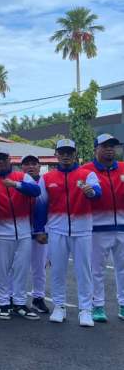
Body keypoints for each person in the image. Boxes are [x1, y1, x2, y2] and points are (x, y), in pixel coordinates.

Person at [33, 139, 100, 327]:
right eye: (62, 152)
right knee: (57, 270)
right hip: (56, 230)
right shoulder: (47, 178)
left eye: (69, 152)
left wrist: (91, 192)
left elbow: (98, 191)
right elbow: (41, 206)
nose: (65, 155)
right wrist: (39, 230)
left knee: (84, 271)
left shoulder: (87, 174)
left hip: (83, 230)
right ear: (56, 154)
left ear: (74, 153)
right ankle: (59, 306)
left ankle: (85, 310)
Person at [0, 146, 41, 320]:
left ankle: (19, 303)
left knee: (21, 269)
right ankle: (3, 303)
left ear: (10, 159)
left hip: (23, 231)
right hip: (0, 232)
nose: (1, 161)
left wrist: (15, 185)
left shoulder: (21, 176)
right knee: (1, 269)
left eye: (4, 158)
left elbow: (36, 191)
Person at [82, 134, 124, 322]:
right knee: (97, 270)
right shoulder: (85, 171)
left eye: (112, 146)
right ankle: (97, 305)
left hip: (122, 227)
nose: (109, 149)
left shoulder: (123, 167)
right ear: (96, 149)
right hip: (97, 228)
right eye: (105, 146)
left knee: (123, 269)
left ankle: (123, 305)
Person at [20, 154, 50, 314]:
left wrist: (43, 229)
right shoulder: (17, 182)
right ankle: (15, 298)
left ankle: (38, 297)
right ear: (21, 167)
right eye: (27, 164)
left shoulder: (45, 182)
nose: (30, 166)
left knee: (39, 267)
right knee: (18, 267)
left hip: (41, 232)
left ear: (39, 166)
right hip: (21, 231)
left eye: (34, 163)